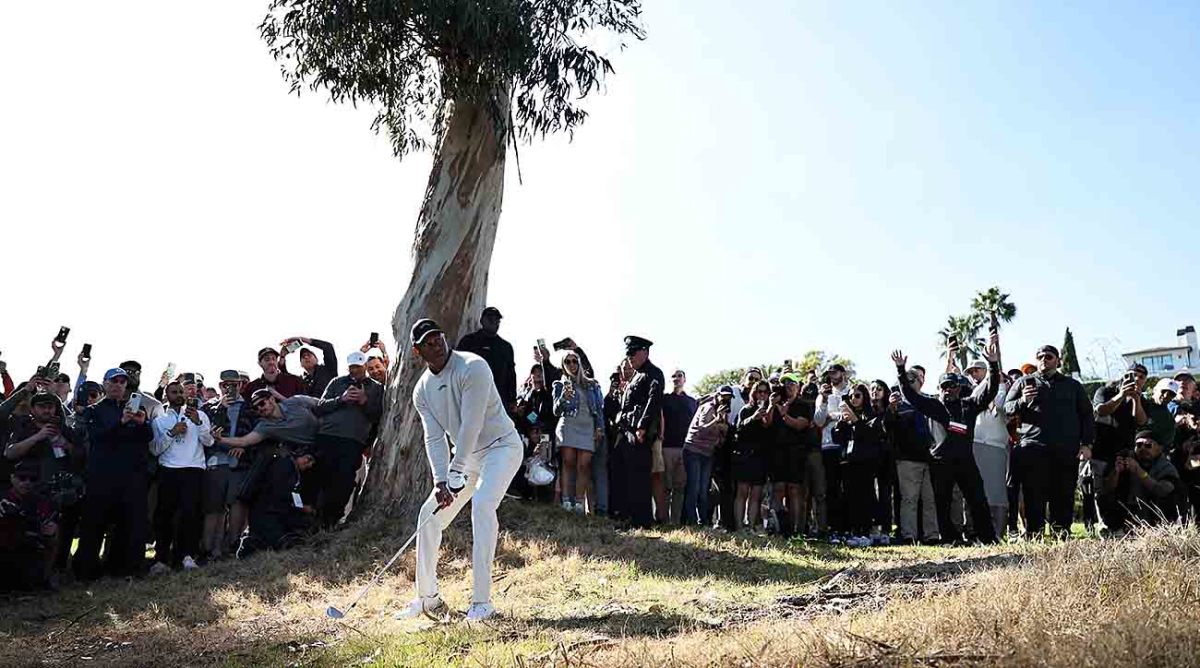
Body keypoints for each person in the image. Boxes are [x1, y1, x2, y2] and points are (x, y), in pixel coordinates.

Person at [399, 318, 523, 623]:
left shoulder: (473, 366)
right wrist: (441, 480)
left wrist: (455, 470)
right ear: (418, 352)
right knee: (428, 517)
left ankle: (482, 603)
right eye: (427, 343)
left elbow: (472, 423)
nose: (436, 345)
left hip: (501, 447)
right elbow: (433, 437)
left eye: (438, 337)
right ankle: (428, 599)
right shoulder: (422, 391)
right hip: (465, 460)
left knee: (482, 506)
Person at [893, 341, 1001, 544]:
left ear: (959, 388)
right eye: (944, 386)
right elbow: (910, 395)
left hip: (965, 461)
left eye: (952, 386)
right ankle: (950, 538)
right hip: (941, 462)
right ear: (939, 388)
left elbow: (990, 390)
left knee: (977, 500)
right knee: (941, 502)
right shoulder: (934, 405)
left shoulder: (969, 405)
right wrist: (900, 370)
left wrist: (993, 365)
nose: (948, 389)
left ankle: (988, 537)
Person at [1004, 344, 1095, 538]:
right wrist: (1022, 400)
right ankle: (1034, 533)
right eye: (1040, 356)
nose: (1044, 360)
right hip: (1033, 448)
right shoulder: (1023, 382)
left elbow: (1087, 415)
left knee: (1063, 493)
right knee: (1033, 494)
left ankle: (1061, 532)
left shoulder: (1072, 385)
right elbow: (1007, 408)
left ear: (1058, 360)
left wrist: (1086, 444)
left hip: (1065, 449)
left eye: (1049, 356)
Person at [74, 368, 154, 580]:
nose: (118, 385)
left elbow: (148, 436)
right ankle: (86, 572)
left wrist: (141, 422)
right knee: (94, 526)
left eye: (122, 381)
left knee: (130, 525)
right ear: (105, 384)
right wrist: (121, 423)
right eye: (114, 381)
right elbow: (98, 437)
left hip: (131, 477)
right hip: (102, 476)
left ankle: (124, 569)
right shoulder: (94, 410)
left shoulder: (134, 408)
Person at [3, 393, 84, 571]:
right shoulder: (23, 426)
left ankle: (58, 568)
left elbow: (80, 455)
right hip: (30, 488)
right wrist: (38, 436)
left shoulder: (62, 428)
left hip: (60, 489)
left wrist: (66, 445)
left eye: (50, 406)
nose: (47, 410)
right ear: (33, 409)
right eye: (42, 406)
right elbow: (10, 453)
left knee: (61, 531)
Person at [311, 351, 384, 527]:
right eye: (352, 367)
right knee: (320, 480)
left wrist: (364, 401)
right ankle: (312, 523)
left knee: (343, 483)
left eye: (358, 367)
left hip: (353, 442)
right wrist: (341, 399)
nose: (354, 371)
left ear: (365, 367)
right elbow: (319, 407)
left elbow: (377, 416)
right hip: (327, 437)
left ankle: (330, 522)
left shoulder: (376, 388)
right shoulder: (337, 382)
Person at [149, 381, 214, 573]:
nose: (178, 394)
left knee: (191, 514)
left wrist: (199, 423)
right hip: (169, 470)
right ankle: (161, 559)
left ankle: (187, 556)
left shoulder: (200, 415)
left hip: (193, 469)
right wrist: (172, 432)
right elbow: (155, 449)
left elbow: (209, 441)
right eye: (173, 392)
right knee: (164, 515)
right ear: (166, 395)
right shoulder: (160, 420)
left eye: (180, 391)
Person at [607, 336, 664, 529]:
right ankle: (624, 515)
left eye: (633, 353)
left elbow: (653, 401)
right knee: (621, 471)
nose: (630, 357)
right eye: (628, 354)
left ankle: (641, 520)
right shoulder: (635, 376)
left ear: (645, 352)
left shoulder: (653, 374)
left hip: (638, 431)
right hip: (625, 429)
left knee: (638, 476)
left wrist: (642, 426)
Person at [201, 370, 256, 560]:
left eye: (234, 384)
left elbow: (257, 432)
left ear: (241, 385)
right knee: (213, 507)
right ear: (220, 386)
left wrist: (244, 448)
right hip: (215, 462)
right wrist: (221, 407)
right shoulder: (209, 407)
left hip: (239, 463)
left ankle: (233, 547)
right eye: (225, 384)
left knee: (236, 505)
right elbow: (206, 434)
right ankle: (210, 549)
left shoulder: (250, 406)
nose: (229, 388)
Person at [236, 447, 317, 558]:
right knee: (279, 542)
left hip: (272, 512)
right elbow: (279, 492)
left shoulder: (291, 468)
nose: (308, 464)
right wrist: (299, 506)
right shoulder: (285, 466)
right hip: (267, 513)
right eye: (307, 459)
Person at [887, 373, 940, 544]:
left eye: (912, 381)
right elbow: (888, 427)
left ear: (920, 382)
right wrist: (892, 409)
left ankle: (931, 536)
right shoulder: (899, 406)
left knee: (930, 499)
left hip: (930, 457)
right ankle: (909, 535)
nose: (909, 384)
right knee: (909, 499)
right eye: (905, 382)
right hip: (907, 459)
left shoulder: (929, 402)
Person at [832, 384, 887, 546]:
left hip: (866, 461)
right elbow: (838, 438)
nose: (853, 399)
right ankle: (852, 531)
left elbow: (872, 435)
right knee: (849, 496)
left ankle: (866, 532)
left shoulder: (872, 414)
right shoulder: (846, 415)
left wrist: (856, 422)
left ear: (864, 397)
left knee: (866, 496)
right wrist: (841, 423)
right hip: (848, 461)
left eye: (857, 396)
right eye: (851, 396)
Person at [551, 350, 604, 513]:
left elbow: (599, 409)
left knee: (584, 464)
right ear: (563, 365)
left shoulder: (592, 384)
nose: (572, 365)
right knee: (568, 462)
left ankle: (580, 502)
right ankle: (567, 501)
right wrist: (563, 398)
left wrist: (599, 428)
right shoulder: (559, 385)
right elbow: (556, 411)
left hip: (587, 426)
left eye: (575, 361)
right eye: (568, 362)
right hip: (568, 426)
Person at [1098, 431, 1181, 530]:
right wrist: (1116, 472)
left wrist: (1140, 472)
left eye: (1148, 445)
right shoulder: (1126, 459)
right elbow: (1107, 489)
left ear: (1159, 448)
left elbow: (1163, 491)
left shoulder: (1166, 467)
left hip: (1154, 515)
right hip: (1127, 511)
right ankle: (1114, 527)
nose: (1143, 449)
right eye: (1139, 445)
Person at [0, 461, 57, 591]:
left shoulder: (40, 501)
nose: (27, 482)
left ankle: (45, 578)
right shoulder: (2, 498)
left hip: (27, 550)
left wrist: (49, 530)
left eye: (32, 479)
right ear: (12, 478)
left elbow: (48, 529)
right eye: (22, 478)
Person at [681, 385, 732, 526]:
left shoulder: (724, 412)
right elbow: (702, 429)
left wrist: (724, 427)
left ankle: (703, 521)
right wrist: (716, 420)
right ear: (717, 395)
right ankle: (691, 521)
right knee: (694, 488)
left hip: (708, 453)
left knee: (704, 489)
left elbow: (721, 437)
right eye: (723, 396)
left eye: (728, 397)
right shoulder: (708, 407)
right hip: (693, 451)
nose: (725, 400)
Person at [770, 374, 812, 537]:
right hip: (777, 452)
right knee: (778, 489)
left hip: (796, 452)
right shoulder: (776, 402)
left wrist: (783, 415)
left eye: (792, 383)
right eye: (785, 383)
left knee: (794, 490)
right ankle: (779, 527)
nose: (788, 386)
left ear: (798, 386)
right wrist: (772, 406)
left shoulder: (803, 404)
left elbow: (800, 424)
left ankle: (795, 529)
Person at [812, 364, 849, 539]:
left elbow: (852, 415)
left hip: (848, 446)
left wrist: (833, 417)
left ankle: (849, 528)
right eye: (829, 373)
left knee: (848, 488)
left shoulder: (851, 391)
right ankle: (834, 529)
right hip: (828, 446)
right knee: (832, 489)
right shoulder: (822, 396)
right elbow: (818, 421)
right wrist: (825, 401)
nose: (832, 376)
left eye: (835, 372)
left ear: (843, 373)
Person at [457, 307, 518, 410]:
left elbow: (511, 374)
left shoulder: (506, 347)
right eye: (490, 318)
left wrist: (512, 399)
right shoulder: (469, 342)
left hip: (497, 401)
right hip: (471, 399)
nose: (494, 322)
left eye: (497, 320)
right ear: (482, 321)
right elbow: (456, 368)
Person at [732, 380, 773, 532]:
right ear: (754, 393)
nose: (762, 395)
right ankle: (739, 526)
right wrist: (753, 417)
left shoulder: (769, 410)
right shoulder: (746, 409)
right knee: (742, 491)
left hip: (760, 457)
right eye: (759, 391)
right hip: (745, 456)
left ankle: (750, 526)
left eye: (765, 392)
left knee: (756, 494)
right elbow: (738, 429)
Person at [659, 369, 698, 524]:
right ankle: (663, 519)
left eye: (679, 376)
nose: (676, 378)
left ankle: (675, 521)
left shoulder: (692, 401)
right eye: (674, 376)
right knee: (666, 486)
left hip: (686, 448)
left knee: (680, 487)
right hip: (667, 446)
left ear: (685, 379)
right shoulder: (665, 399)